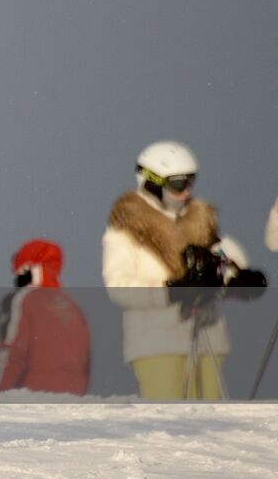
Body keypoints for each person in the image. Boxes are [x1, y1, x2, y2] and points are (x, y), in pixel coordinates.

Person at [102, 141, 267, 399]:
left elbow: (224, 258)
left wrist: (239, 281)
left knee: (213, 423)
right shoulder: (127, 230)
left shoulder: (200, 223)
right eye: (178, 184)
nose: (186, 191)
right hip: (157, 342)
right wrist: (171, 292)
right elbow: (119, 287)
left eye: (191, 182)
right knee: (172, 423)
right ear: (152, 183)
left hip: (208, 338)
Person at [0, 238, 91, 395]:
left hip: (31, 395)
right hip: (72, 398)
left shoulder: (23, 300)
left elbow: (13, 354)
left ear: (26, 268)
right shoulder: (73, 306)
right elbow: (85, 360)